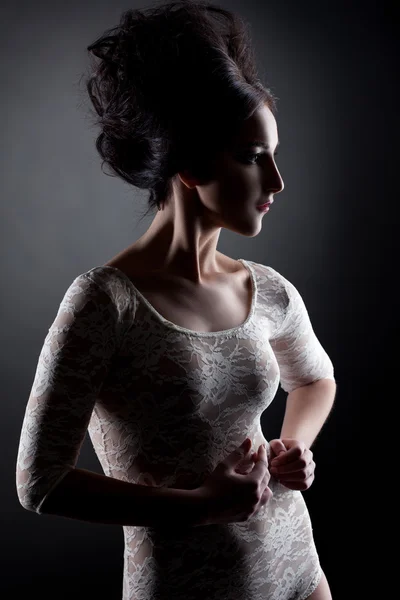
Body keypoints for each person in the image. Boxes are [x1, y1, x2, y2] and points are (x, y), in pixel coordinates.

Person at [15, 1, 337, 599]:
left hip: (299, 572)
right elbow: (39, 482)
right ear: (189, 164)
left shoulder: (266, 290)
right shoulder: (105, 304)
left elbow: (317, 381)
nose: (276, 183)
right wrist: (196, 507)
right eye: (253, 157)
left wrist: (292, 445)